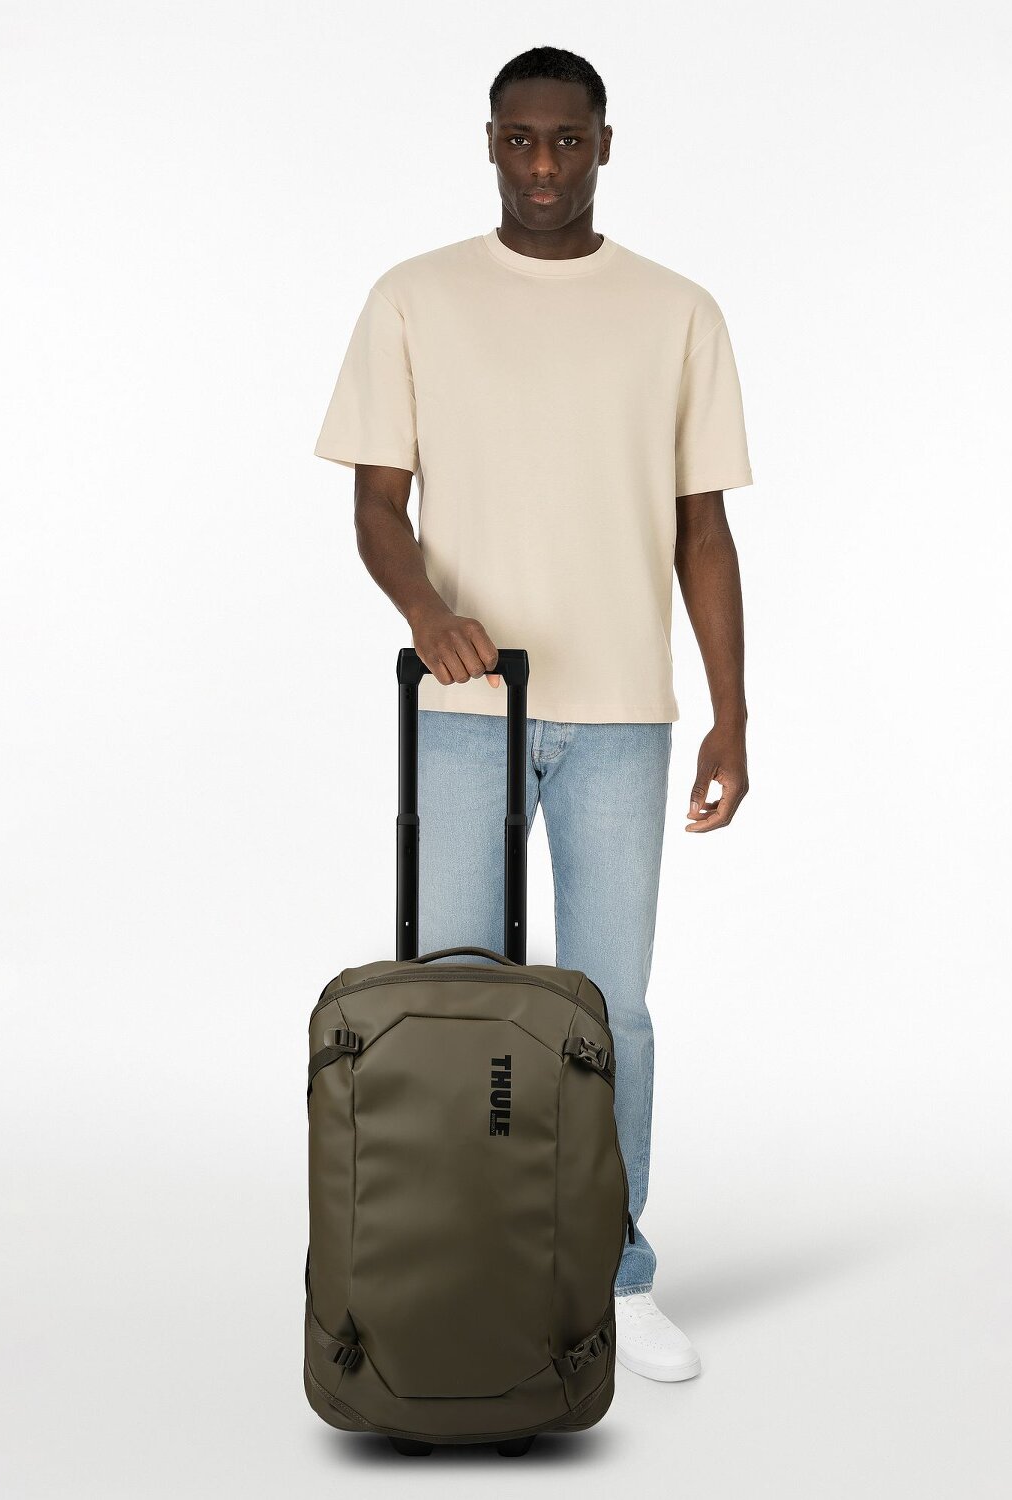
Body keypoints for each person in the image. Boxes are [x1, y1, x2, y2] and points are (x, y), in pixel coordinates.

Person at [313, 45, 753, 1384]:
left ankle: (613, 1276)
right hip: (467, 709)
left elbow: (703, 530)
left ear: (605, 144)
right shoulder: (415, 297)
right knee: (454, 1002)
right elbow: (376, 505)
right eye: (521, 139)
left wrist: (731, 714)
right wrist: (424, 609)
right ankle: (463, 1270)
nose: (544, 165)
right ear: (490, 143)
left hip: (622, 715)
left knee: (611, 1012)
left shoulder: (677, 312)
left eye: (568, 140)